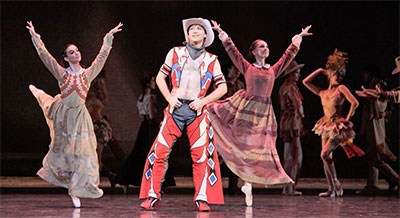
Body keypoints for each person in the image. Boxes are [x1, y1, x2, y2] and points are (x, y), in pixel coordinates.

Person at [209, 20, 312, 206]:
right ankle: (241, 177)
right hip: (246, 110)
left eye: (266, 46)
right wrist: (221, 33)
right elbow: (233, 52)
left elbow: (287, 57)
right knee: (244, 145)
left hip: (264, 114)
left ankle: (248, 183)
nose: (265, 48)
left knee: (259, 148)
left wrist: (297, 39)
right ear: (254, 51)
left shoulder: (273, 70)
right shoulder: (248, 67)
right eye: (261, 46)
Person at [27, 21, 122, 207]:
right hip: (64, 116)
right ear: (66, 58)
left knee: (82, 153)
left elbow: (101, 58)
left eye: (77, 51)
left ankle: (75, 189)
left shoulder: (87, 74)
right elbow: (45, 57)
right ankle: (38, 93)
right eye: (71, 52)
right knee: (63, 148)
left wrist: (107, 39)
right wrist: (35, 37)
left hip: (80, 118)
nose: (76, 53)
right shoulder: (62, 74)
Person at [139, 18, 227, 212]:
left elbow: (223, 87)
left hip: (197, 112)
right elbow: (161, 77)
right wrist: (169, 98)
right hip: (175, 110)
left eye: (198, 29)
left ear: (205, 35)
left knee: (200, 156)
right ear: (186, 35)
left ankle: (201, 198)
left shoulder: (212, 60)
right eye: (191, 29)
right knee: (159, 152)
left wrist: (203, 101)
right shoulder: (175, 52)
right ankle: (153, 195)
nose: (194, 31)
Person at [302, 49, 364, 197]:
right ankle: (332, 189)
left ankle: (336, 184)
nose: (338, 77)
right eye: (336, 73)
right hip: (326, 124)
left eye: (340, 74)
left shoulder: (341, 89)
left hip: (337, 126)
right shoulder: (323, 92)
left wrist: (347, 120)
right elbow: (305, 82)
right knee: (327, 157)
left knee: (324, 154)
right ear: (330, 74)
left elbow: (354, 103)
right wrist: (319, 70)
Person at [118, 76, 175, 193]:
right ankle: (157, 183)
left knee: (139, 153)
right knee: (155, 153)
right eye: (153, 81)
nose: (155, 83)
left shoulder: (141, 98)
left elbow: (141, 114)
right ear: (149, 84)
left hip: (143, 126)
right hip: (150, 127)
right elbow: (152, 115)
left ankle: (127, 180)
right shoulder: (151, 98)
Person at [355, 65, 400, 195]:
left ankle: (396, 179)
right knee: (372, 156)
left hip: (374, 124)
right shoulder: (381, 85)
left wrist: (362, 130)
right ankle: (372, 185)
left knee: (375, 157)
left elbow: (369, 110)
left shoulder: (375, 86)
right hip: (378, 124)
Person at [86, 69, 124, 190]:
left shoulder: (98, 86)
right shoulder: (89, 87)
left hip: (98, 127)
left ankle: (95, 183)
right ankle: (110, 176)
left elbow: (104, 98)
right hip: (89, 125)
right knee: (91, 156)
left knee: (96, 156)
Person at [278, 60, 306, 196]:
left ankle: (289, 187)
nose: (298, 75)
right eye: (296, 73)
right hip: (291, 122)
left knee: (291, 155)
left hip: (289, 121)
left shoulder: (289, 86)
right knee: (294, 156)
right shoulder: (289, 87)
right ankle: (289, 187)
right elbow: (296, 106)